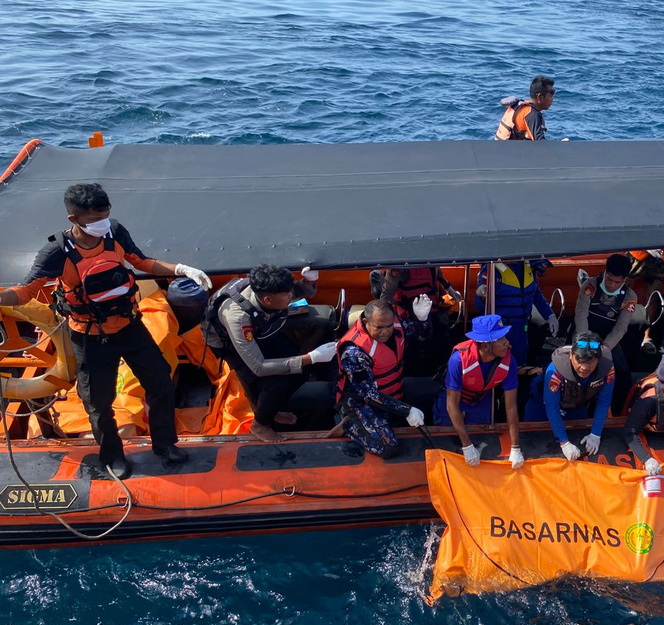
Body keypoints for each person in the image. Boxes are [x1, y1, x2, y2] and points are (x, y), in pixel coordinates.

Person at [0, 183, 210, 479]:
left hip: (130, 327)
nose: (103, 223)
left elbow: (141, 261)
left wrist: (180, 269)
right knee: (98, 403)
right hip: (90, 338)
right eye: (95, 219)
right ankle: (112, 455)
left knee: (161, 383)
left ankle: (165, 445)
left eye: (106, 215)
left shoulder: (115, 231)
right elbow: (26, 291)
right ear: (74, 219)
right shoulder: (57, 252)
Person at [204, 263, 338, 443]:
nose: (291, 296)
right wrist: (311, 358)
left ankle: (272, 409)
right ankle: (260, 423)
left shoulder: (270, 289)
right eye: (287, 295)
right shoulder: (238, 317)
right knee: (273, 383)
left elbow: (294, 290)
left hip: (262, 328)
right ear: (267, 300)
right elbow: (258, 367)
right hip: (231, 343)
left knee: (296, 368)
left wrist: (308, 282)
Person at [328, 297, 432, 458]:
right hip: (362, 402)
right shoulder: (354, 352)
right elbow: (368, 394)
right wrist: (407, 410)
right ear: (366, 322)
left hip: (393, 393)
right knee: (387, 448)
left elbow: (421, 334)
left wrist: (423, 319)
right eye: (379, 327)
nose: (385, 332)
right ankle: (349, 425)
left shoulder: (395, 325)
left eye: (389, 326)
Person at [433, 315, 524, 469]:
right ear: (485, 345)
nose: (507, 343)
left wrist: (515, 447)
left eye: (505, 337)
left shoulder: (510, 362)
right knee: (448, 441)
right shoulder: (458, 360)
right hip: (454, 401)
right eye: (500, 339)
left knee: (481, 439)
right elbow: (451, 404)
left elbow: (511, 407)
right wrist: (467, 446)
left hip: (480, 400)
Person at [524, 332, 615, 461]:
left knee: (581, 439)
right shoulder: (555, 370)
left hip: (577, 404)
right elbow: (551, 408)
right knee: (532, 440)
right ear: (571, 355)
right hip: (542, 404)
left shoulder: (608, 369)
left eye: (590, 362)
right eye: (580, 361)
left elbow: (604, 402)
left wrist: (596, 434)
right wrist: (564, 442)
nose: (584, 367)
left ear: (598, 359)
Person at [574, 253, 637, 414]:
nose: (611, 285)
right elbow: (581, 315)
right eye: (609, 279)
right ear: (605, 272)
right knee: (575, 363)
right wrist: (585, 342)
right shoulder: (590, 286)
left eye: (617, 282)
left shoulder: (630, 297)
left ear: (624, 280)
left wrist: (606, 347)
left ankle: (618, 411)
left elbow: (621, 327)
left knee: (622, 371)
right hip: (584, 333)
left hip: (608, 339)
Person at [474, 259, 559, 366]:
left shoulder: (529, 267)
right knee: (499, 362)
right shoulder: (491, 269)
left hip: (522, 325)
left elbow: (536, 294)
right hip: (501, 328)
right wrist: (480, 296)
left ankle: (521, 373)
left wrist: (550, 315)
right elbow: (480, 306)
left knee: (520, 358)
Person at [381, 266, 461, 376]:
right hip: (410, 316)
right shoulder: (400, 267)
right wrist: (383, 314)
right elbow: (388, 292)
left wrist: (450, 290)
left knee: (440, 345)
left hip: (433, 310)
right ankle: (412, 377)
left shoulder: (433, 262)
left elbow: (439, 276)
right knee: (412, 352)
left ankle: (438, 373)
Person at [494, 75, 556, 141]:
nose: (552, 99)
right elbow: (541, 143)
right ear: (539, 97)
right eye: (550, 96)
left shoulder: (522, 106)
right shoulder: (532, 115)